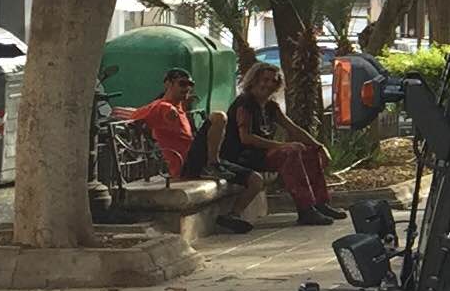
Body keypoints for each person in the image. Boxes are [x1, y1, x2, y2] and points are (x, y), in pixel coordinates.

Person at [223, 61, 340, 226]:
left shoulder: (271, 106)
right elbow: (246, 138)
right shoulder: (245, 103)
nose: (269, 84)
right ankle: (305, 209)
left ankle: (321, 203)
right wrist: (282, 146)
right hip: (243, 156)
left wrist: (319, 147)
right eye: (265, 80)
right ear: (254, 81)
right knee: (289, 153)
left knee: (309, 151)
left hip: (262, 154)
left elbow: (293, 128)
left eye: (273, 81)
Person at [122, 68, 197, 181]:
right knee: (218, 117)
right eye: (182, 84)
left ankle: (215, 163)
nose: (187, 88)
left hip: (191, 158)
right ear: (168, 84)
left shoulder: (178, 104)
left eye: (190, 85)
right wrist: (170, 111)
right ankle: (213, 164)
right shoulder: (163, 106)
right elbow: (163, 108)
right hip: (185, 165)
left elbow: (139, 113)